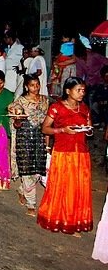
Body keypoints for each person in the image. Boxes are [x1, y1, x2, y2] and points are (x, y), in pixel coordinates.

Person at [38, 76, 93, 235]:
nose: (81, 93)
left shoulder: (84, 108)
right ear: (68, 91)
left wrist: (87, 130)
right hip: (63, 153)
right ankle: (59, 218)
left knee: (79, 188)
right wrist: (62, 130)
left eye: (83, 90)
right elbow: (45, 128)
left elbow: (89, 127)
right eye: (78, 90)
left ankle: (75, 221)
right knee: (63, 187)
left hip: (81, 154)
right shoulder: (57, 107)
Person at [8, 74, 49, 215]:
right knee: (27, 170)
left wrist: (48, 141)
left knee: (38, 171)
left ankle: (21, 190)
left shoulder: (45, 100)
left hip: (40, 138)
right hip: (24, 138)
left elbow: (47, 121)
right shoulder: (20, 102)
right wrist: (17, 119)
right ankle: (31, 203)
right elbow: (15, 121)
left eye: (37, 85)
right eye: (32, 85)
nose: (35, 88)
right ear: (26, 86)